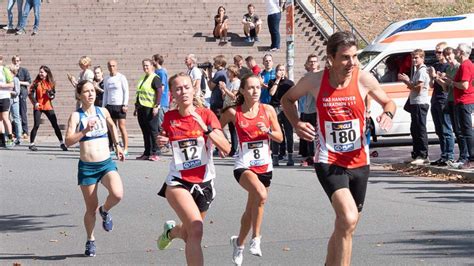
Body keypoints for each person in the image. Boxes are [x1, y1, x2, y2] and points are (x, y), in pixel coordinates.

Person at [281, 31, 396, 266]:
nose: (351, 63)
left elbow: (388, 101)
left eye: (355, 57)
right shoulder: (313, 81)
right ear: (331, 58)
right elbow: (287, 100)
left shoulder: (363, 78)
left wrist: (388, 113)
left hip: (359, 162)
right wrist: (296, 123)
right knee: (349, 217)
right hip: (329, 160)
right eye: (345, 57)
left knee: (346, 225)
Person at [156, 73, 230, 266]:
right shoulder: (170, 118)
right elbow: (165, 137)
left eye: (186, 87)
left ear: (193, 89)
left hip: (204, 183)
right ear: (172, 93)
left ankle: (171, 232)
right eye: (178, 89)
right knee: (196, 230)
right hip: (178, 181)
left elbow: (227, 147)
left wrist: (206, 129)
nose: (183, 92)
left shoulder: (206, 114)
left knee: (190, 233)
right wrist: (162, 140)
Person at [220, 74, 283, 265]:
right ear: (242, 91)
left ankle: (238, 243)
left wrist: (268, 131)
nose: (255, 91)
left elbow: (280, 137)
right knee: (261, 195)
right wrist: (224, 144)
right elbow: (215, 127)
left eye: (258, 87)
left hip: (264, 165)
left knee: (252, 208)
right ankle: (256, 239)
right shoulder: (234, 112)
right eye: (251, 88)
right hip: (244, 165)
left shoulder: (268, 110)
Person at [64, 80, 125, 257]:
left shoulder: (102, 111)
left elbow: (112, 125)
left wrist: (118, 145)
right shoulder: (76, 116)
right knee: (90, 208)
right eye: (86, 91)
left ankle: (104, 210)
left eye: (93, 91)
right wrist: (83, 130)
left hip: (106, 163)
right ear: (79, 95)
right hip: (88, 168)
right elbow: (67, 141)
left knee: (118, 194)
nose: (91, 94)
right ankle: (90, 239)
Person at [398, 49, 431, 165]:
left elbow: (418, 88)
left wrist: (406, 81)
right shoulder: (417, 71)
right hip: (415, 103)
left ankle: (423, 155)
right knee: (414, 129)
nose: (414, 60)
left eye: (416, 58)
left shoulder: (422, 71)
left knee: (420, 129)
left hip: (420, 103)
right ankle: (416, 154)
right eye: (413, 58)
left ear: (422, 58)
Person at [445, 43, 474, 169]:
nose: (455, 52)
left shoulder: (465, 65)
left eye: (456, 50)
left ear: (461, 52)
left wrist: (451, 82)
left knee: (467, 131)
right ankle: (469, 158)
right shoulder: (466, 65)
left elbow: (465, 85)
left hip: (465, 101)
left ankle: (472, 159)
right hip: (463, 101)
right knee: (465, 130)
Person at [28, 65, 68, 152]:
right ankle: (31, 144)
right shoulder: (36, 82)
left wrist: (51, 95)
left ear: (46, 73)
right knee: (36, 124)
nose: (40, 73)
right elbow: (30, 94)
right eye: (40, 72)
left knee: (55, 125)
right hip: (38, 106)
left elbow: (52, 95)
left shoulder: (51, 83)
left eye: (42, 72)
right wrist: (35, 102)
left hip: (47, 106)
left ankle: (61, 143)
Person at [428, 42, 454, 166]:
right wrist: (431, 77)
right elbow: (431, 85)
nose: (437, 54)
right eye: (436, 52)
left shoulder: (448, 67)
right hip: (435, 99)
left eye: (440, 52)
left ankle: (449, 155)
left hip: (444, 99)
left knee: (446, 128)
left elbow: (445, 86)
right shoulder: (435, 65)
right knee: (438, 129)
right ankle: (443, 155)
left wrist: (436, 77)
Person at [134, 59, 162, 161]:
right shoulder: (143, 78)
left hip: (151, 108)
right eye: (144, 66)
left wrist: (156, 106)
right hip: (142, 107)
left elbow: (159, 92)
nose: (145, 67)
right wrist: (136, 106)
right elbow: (139, 93)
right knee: (145, 131)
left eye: (147, 65)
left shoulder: (155, 78)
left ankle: (155, 152)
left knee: (153, 131)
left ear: (152, 66)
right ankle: (147, 152)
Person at [437, 47, 461, 167]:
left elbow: (462, 85)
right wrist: (440, 79)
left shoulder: (458, 67)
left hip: (458, 101)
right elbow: (446, 88)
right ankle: (447, 155)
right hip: (449, 100)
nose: (447, 57)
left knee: (458, 130)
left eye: (449, 55)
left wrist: (449, 80)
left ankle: (462, 156)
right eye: (445, 55)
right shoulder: (450, 68)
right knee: (445, 129)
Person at [268, 64, 295, 166]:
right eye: (279, 70)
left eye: (283, 70)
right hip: (275, 108)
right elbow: (271, 93)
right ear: (276, 71)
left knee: (289, 133)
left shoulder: (289, 83)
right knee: (276, 133)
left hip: (286, 108)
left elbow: (293, 96)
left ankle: (290, 157)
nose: (281, 71)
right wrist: (277, 80)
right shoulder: (272, 82)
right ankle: (275, 157)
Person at [103, 60, 129, 156]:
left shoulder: (121, 77)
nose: (112, 68)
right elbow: (105, 93)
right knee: (112, 127)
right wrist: (103, 106)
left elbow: (126, 91)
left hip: (120, 105)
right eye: (110, 66)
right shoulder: (106, 78)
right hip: (110, 105)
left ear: (116, 66)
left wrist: (125, 104)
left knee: (122, 127)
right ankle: (115, 147)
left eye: (113, 66)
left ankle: (125, 148)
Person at [300, 54, 320, 166]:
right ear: (307, 63)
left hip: (316, 110)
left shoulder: (320, 76)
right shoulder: (305, 77)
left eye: (314, 61)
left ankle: (317, 155)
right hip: (306, 110)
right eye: (310, 61)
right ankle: (310, 156)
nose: (312, 63)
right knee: (308, 135)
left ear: (317, 63)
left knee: (318, 134)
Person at [221, 64, 241, 156]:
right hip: (227, 106)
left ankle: (237, 148)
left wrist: (225, 88)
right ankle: (233, 148)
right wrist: (223, 91)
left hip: (233, 107)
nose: (227, 73)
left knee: (236, 128)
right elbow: (226, 95)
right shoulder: (229, 81)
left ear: (233, 72)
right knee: (231, 128)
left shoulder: (237, 82)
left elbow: (234, 96)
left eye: (229, 71)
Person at [12, 55, 31, 139]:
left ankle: (25, 131)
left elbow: (28, 82)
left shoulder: (24, 70)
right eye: (15, 60)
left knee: (23, 112)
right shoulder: (11, 71)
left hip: (22, 92)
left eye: (18, 60)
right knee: (14, 113)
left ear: (20, 61)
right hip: (13, 93)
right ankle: (15, 131)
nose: (16, 62)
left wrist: (18, 82)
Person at [0, 58, 15, 148]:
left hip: (4, 96)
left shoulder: (4, 70)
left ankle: (10, 137)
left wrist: (2, 85)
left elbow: (12, 84)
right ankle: (1, 138)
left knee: (5, 117)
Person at [8, 64, 22, 145]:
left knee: (16, 118)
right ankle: (8, 135)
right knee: (7, 118)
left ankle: (18, 136)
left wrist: (8, 91)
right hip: (6, 101)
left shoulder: (15, 79)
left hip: (14, 101)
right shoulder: (6, 79)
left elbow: (17, 92)